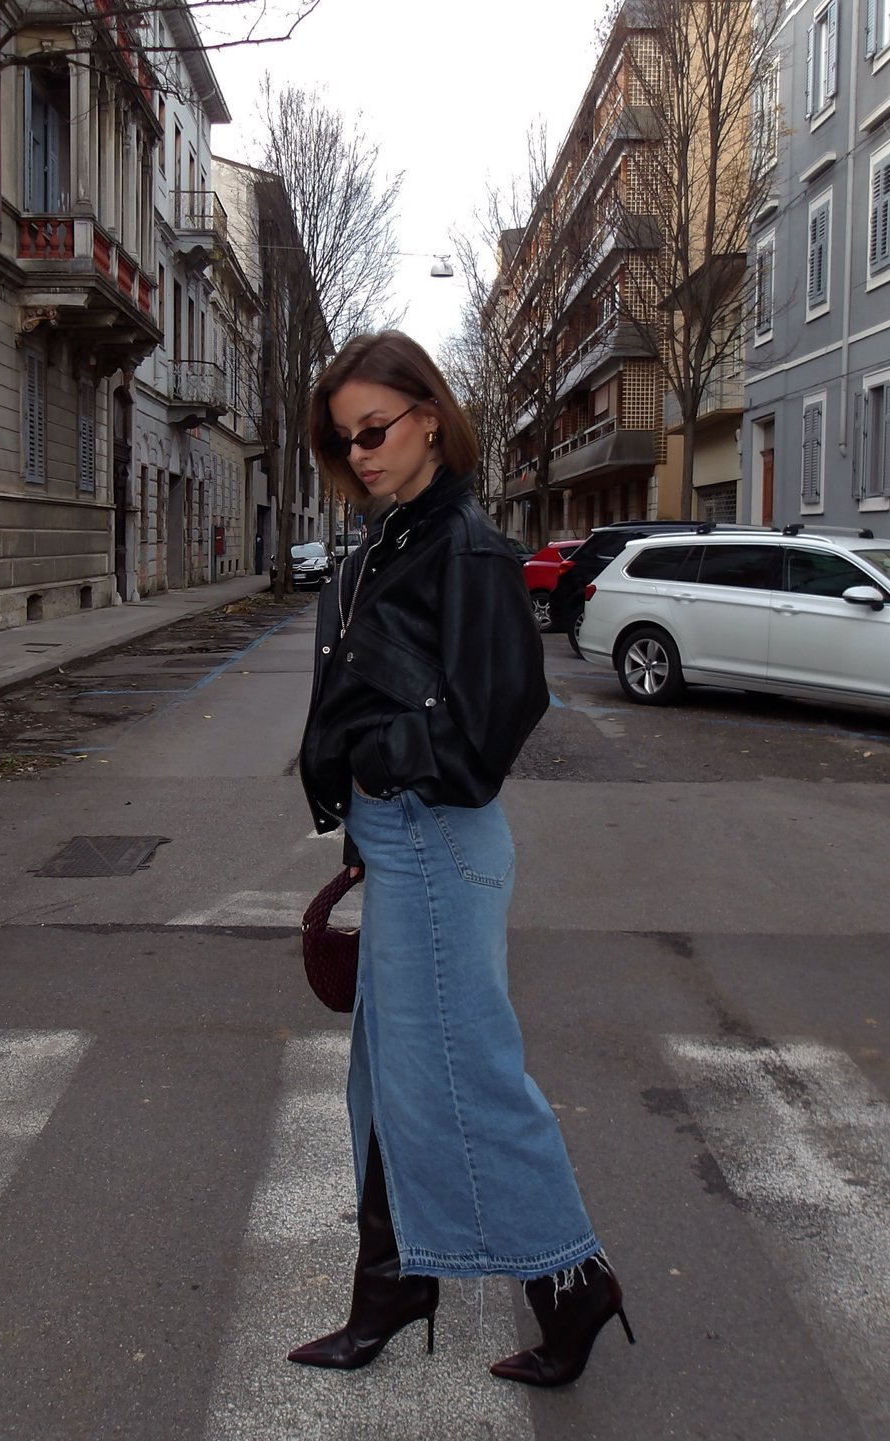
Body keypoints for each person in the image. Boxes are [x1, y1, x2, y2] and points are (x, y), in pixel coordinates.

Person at [295, 331, 633, 1388]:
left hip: (435, 834)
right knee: (389, 1076)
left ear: (430, 418)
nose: (360, 453)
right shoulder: (386, 540)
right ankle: (394, 1282)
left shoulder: (465, 548)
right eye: (344, 440)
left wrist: (375, 764)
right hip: (397, 838)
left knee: (464, 1073)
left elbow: (490, 723)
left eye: (374, 430)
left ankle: (572, 1282)